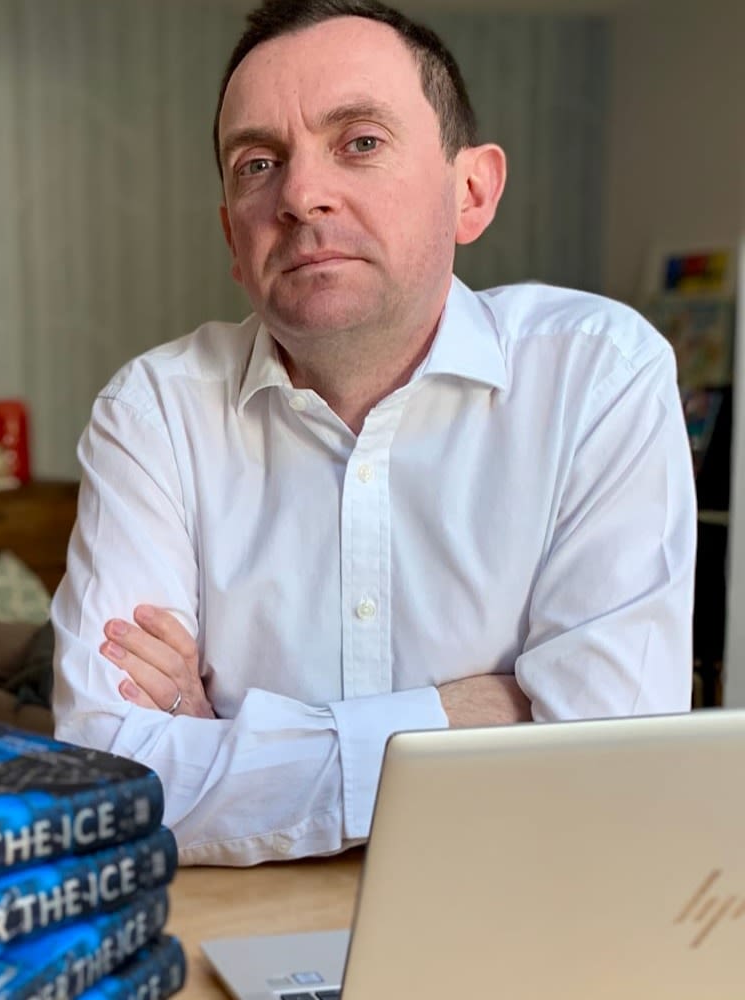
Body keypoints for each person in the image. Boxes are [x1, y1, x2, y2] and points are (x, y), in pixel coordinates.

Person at [51, 0, 695, 868]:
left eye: (359, 142)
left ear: (471, 192)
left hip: (522, 915)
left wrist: (230, 747)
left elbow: (608, 772)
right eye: (257, 163)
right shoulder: (153, 412)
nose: (300, 194)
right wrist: (468, 714)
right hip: (243, 936)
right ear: (233, 243)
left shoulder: (599, 378)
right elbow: (108, 782)